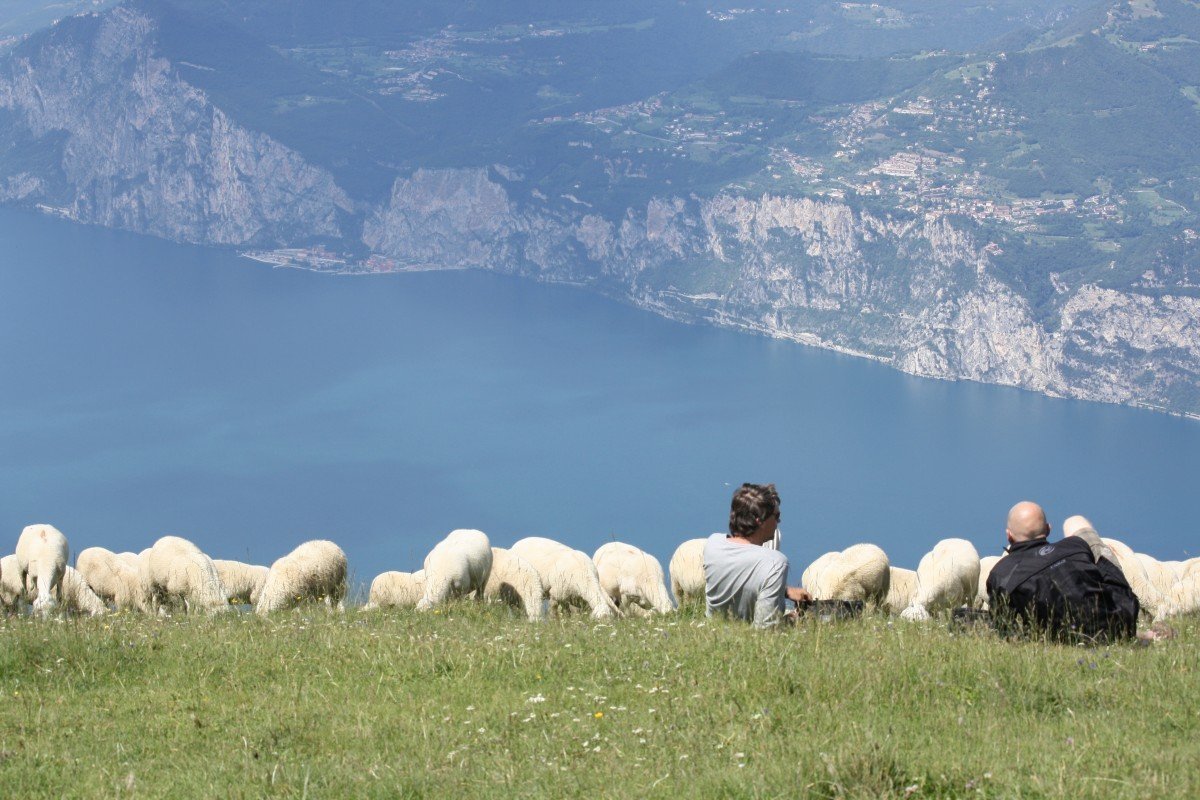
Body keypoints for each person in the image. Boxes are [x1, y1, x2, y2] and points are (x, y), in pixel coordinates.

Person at [986, 501, 1139, 643]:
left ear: (1009, 535)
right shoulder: (1075, 545)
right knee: (1075, 521)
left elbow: (1003, 627)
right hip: (1120, 624)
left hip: (1061, 640)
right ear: (1048, 529)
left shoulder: (1002, 573)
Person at [703, 483, 811, 628]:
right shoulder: (776, 563)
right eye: (776, 516)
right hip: (743, 644)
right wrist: (795, 619)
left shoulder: (713, 543)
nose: (779, 521)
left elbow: (741, 574)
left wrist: (784, 591)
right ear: (759, 520)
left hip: (712, 633)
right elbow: (766, 630)